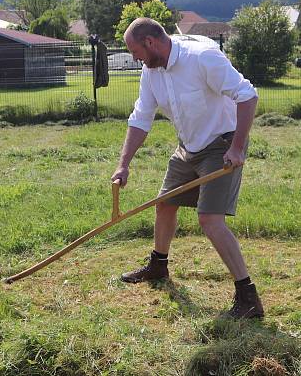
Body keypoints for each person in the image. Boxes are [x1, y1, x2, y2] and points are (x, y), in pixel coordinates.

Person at [111, 18, 263, 319]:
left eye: (135, 51)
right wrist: (123, 165)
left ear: (150, 43)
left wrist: (236, 148)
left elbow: (247, 96)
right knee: (165, 204)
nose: (135, 58)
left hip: (222, 143)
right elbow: (142, 117)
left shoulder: (201, 57)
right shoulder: (151, 71)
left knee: (209, 219)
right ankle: (158, 266)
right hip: (189, 145)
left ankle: (248, 297)